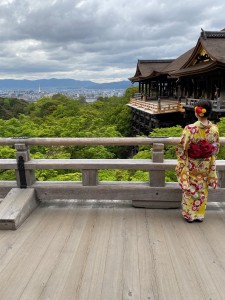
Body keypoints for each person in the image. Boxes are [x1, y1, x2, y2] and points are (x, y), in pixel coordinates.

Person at [176, 99, 220, 223]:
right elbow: (215, 149)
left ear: (196, 112)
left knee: (190, 187)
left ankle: (190, 215)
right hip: (206, 164)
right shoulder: (214, 129)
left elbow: (182, 147)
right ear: (209, 113)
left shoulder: (190, 128)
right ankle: (199, 215)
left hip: (192, 164)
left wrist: (182, 160)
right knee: (203, 188)